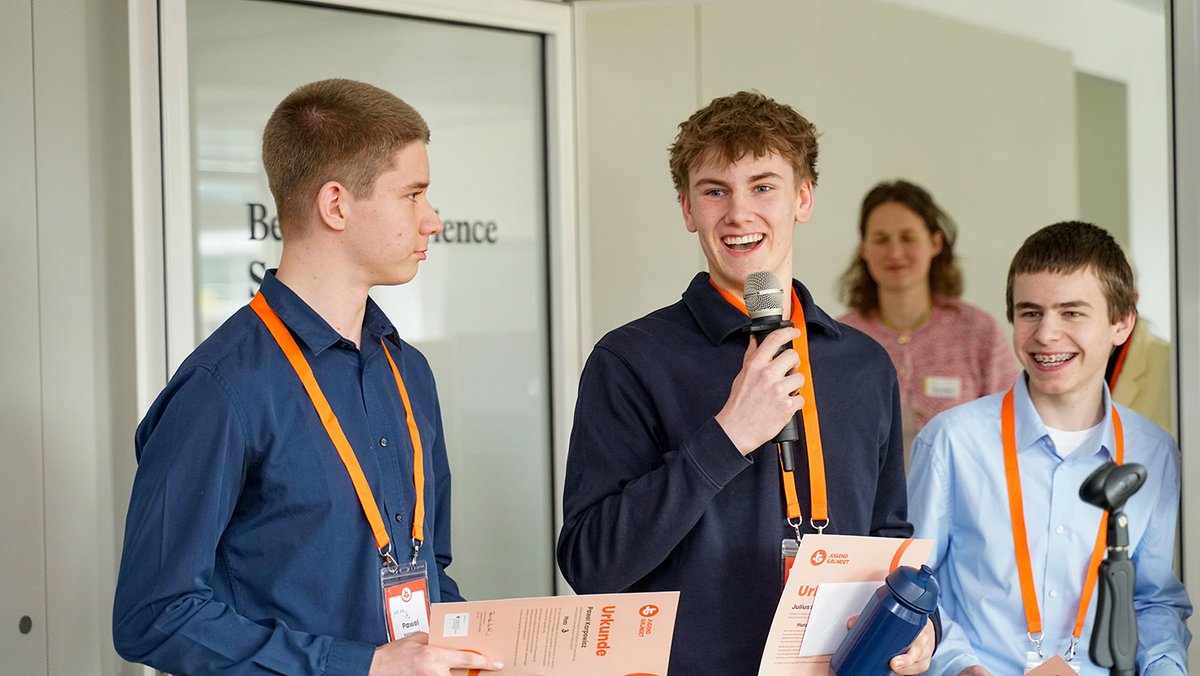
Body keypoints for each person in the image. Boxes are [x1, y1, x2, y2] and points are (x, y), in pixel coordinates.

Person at [112, 79, 502, 676]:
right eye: (413, 195)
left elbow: (426, 571)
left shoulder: (409, 372)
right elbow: (155, 615)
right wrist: (362, 665)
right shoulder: (223, 387)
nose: (433, 221)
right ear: (336, 205)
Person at [556, 91, 934, 675]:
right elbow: (591, 565)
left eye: (762, 187)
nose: (738, 213)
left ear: (803, 198)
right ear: (687, 209)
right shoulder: (631, 359)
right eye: (714, 191)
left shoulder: (863, 364)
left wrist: (922, 627)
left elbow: (888, 537)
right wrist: (728, 436)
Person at [908, 221, 1191, 675]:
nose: (1046, 334)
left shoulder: (1154, 453)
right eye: (1030, 313)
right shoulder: (951, 441)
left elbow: (1153, 599)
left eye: (1072, 313)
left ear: (1121, 323)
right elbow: (913, 587)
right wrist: (959, 666)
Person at [838, 179, 1016, 460]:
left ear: (935, 242)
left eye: (908, 238)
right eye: (881, 239)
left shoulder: (978, 331)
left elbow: (1010, 429)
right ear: (864, 249)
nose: (894, 252)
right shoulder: (842, 337)